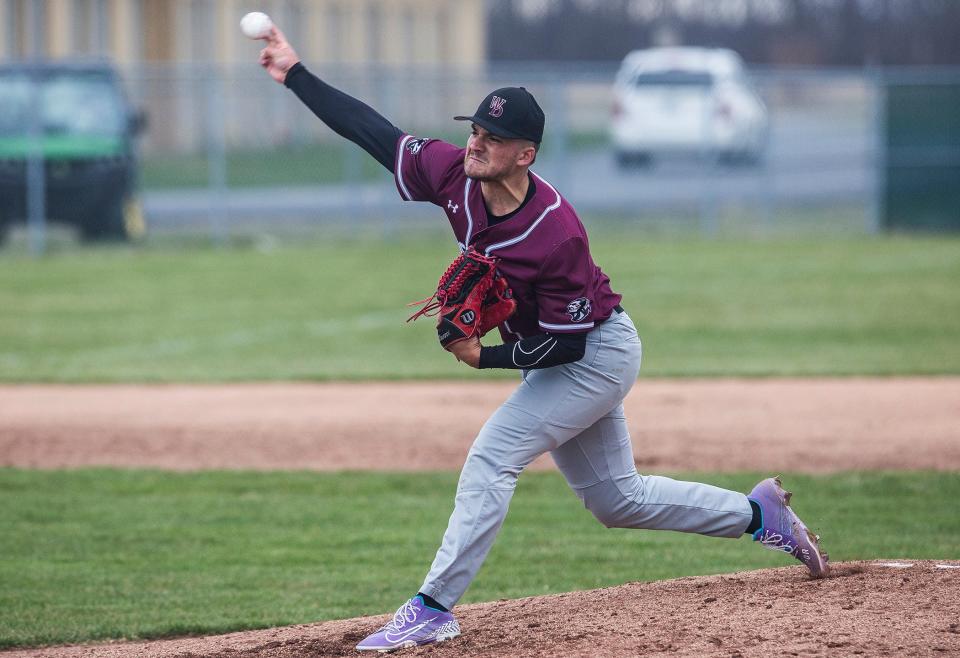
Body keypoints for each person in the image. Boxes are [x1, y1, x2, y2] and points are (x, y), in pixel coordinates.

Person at [256, 26, 829, 652]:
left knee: (493, 455)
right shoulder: (454, 175)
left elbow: (570, 347)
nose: (474, 143)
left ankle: (432, 606)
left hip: (597, 353)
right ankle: (759, 515)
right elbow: (373, 131)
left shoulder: (556, 233)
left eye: (491, 138)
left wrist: (484, 357)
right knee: (617, 500)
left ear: (524, 154)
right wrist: (296, 74)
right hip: (560, 355)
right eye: (474, 129)